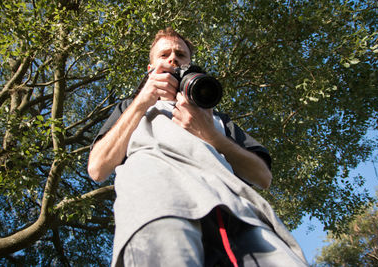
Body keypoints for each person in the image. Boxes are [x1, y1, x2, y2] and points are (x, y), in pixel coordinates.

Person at [88, 27, 307, 267]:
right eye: (164, 55)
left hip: (238, 212)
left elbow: (263, 177)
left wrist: (211, 133)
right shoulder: (130, 109)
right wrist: (142, 100)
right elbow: (98, 168)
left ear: (190, 65)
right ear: (151, 69)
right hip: (158, 203)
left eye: (180, 55)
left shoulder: (216, 118)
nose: (173, 58)